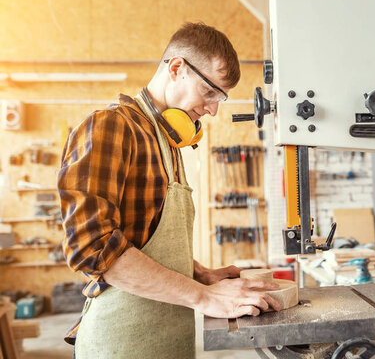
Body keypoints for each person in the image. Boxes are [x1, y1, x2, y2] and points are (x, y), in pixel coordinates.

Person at [58, 22, 281, 359]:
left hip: (167, 341)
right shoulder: (111, 126)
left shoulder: (168, 144)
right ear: (176, 68)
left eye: (220, 98)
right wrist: (204, 297)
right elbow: (93, 246)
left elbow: (143, 238)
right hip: (122, 344)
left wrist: (201, 274)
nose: (213, 109)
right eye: (209, 92)